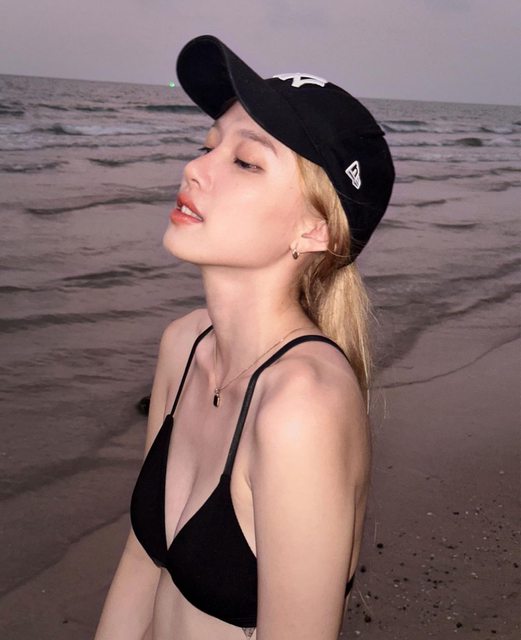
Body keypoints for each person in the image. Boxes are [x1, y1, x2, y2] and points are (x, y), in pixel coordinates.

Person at [95, 35, 394, 640]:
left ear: (315, 229)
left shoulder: (301, 408)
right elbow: (142, 560)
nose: (195, 168)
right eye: (208, 147)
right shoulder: (184, 346)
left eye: (246, 162)